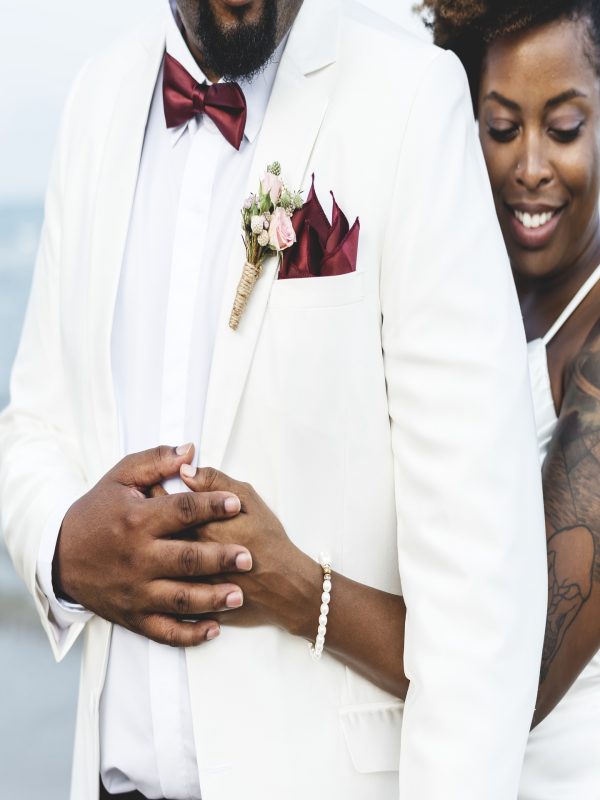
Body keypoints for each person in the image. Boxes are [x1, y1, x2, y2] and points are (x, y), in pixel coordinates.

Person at [0, 1, 546, 798]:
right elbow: (34, 423)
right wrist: (61, 547)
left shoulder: (411, 100)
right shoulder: (96, 99)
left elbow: (479, 570)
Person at [420, 1, 600, 797]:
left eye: (563, 129)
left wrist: (299, 592)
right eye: (501, 129)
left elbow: (516, 675)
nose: (530, 165)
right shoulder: (463, 302)